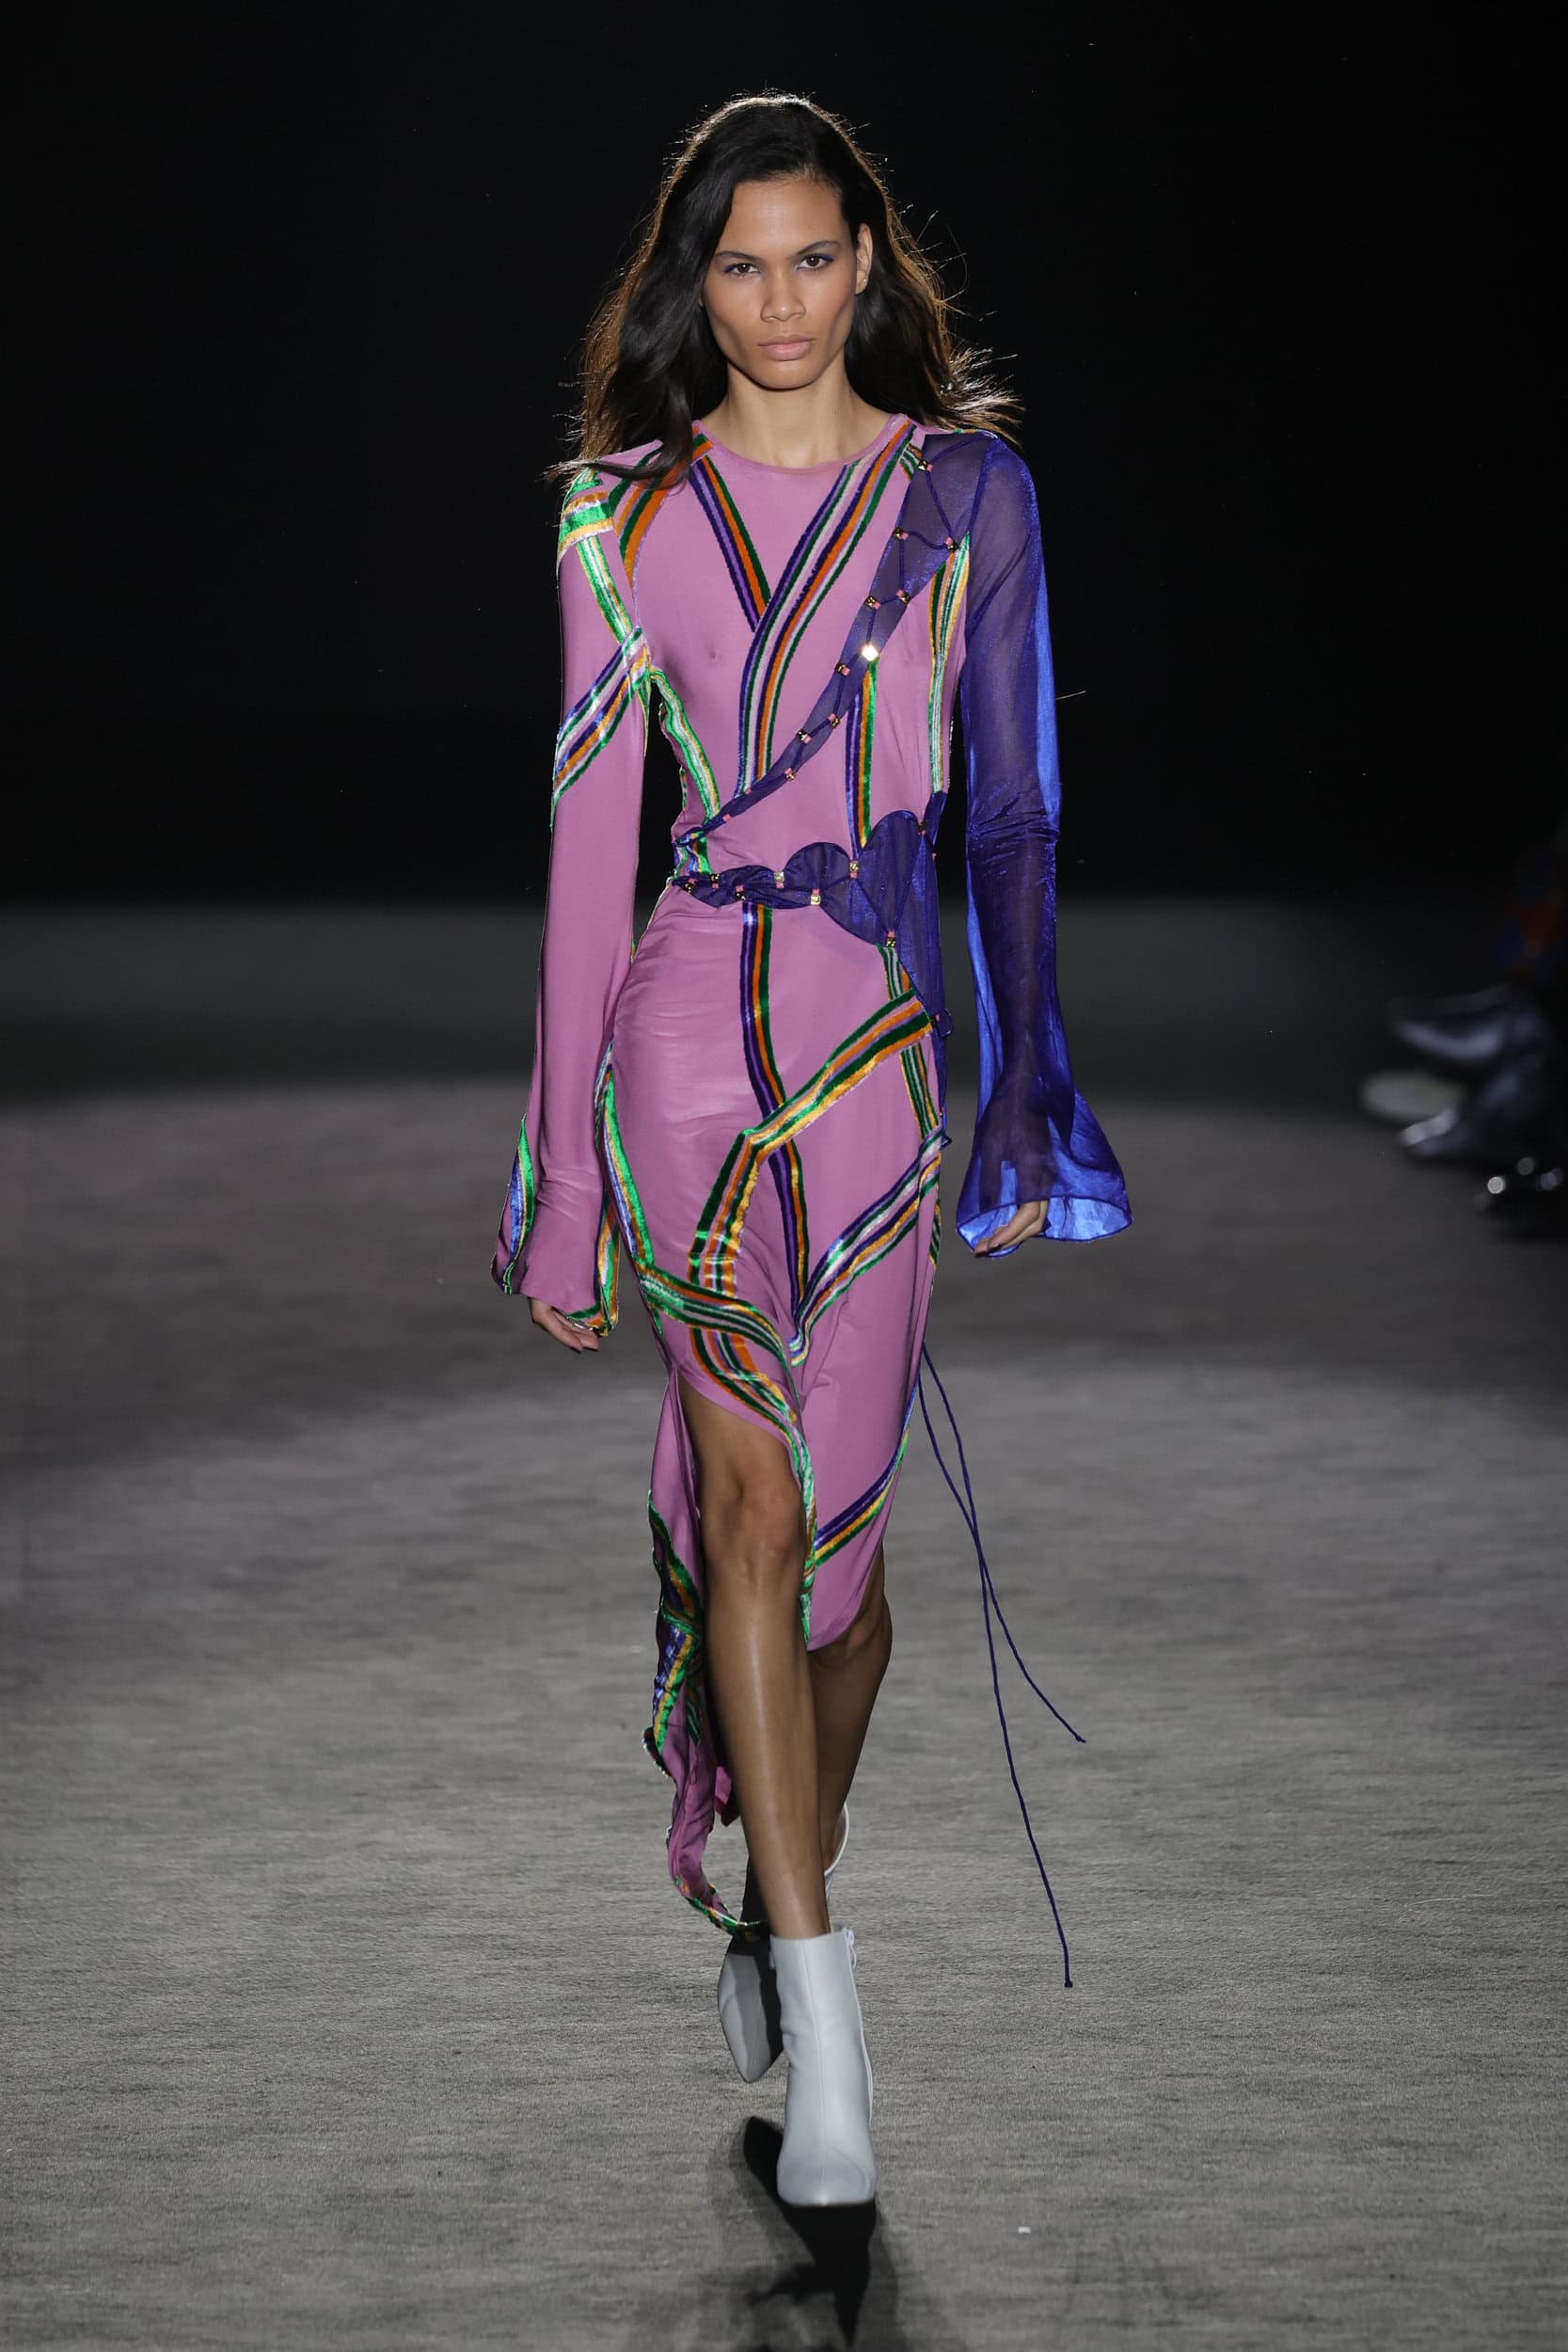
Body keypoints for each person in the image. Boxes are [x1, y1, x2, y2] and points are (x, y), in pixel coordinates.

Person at [492, 92, 1131, 2206]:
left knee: (843, 1588)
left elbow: (1013, 813)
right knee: (751, 1515)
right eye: (740, 264)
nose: (778, 302)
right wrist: (564, 1178)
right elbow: (592, 845)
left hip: (874, 1058)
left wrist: (1031, 1078)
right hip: (683, 1048)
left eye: (813, 258)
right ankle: (836, 2041)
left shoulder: (967, 498)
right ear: (701, 283)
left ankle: (778, 1900)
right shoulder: (620, 517)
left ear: (869, 265)